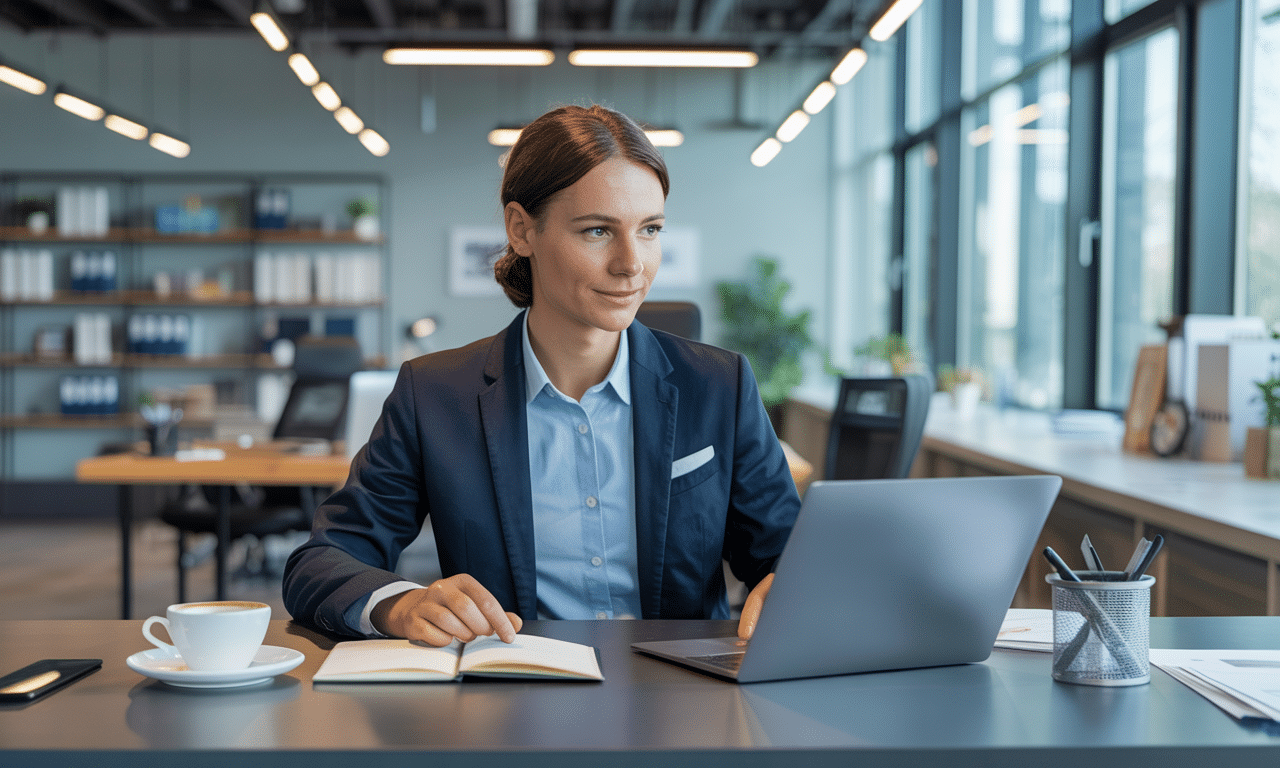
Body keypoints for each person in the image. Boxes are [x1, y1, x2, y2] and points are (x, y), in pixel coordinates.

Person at [282, 104, 800, 646]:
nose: (632, 263)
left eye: (650, 230)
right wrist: (401, 604)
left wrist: (789, 582)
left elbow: (787, 554)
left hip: (683, 684)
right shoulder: (434, 396)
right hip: (514, 684)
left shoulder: (719, 386)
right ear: (521, 229)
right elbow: (322, 560)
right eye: (598, 230)